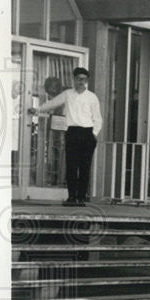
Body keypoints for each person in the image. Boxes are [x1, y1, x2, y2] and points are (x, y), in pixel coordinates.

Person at [28, 67, 102, 207]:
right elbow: (52, 103)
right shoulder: (68, 94)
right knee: (71, 166)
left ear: (87, 81)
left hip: (87, 133)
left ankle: (81, 198)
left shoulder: (92, 97)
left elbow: (97, 118)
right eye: (78, 79)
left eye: (84, 79)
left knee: (85, 168)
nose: (81, 82)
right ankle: (72, 198)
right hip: (72, 132)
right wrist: (37, 110)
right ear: (74, 79)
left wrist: (94, 134)